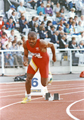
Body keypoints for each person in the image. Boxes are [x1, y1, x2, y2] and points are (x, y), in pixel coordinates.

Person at [21, 31, 56, 103]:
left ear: (36, 39)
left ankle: (49, 76)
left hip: (44, 61)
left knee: (43, 84)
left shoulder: (42, 43)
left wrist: (54, 56)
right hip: (35, 61)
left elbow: (52, 45)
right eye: (29, 39)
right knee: (28, 78)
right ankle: (28, 97)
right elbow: (25, 55)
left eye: (33, 39)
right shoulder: (25, 44)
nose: (31, 41)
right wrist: (25, 61)